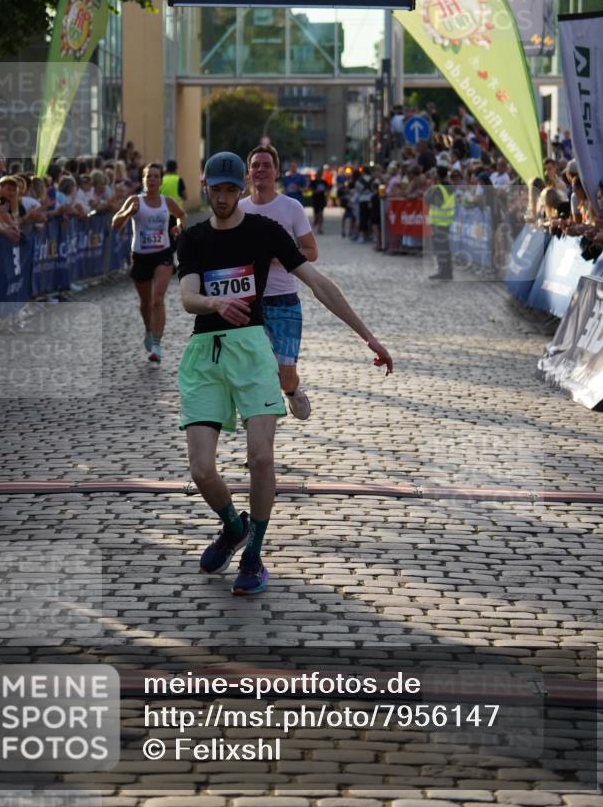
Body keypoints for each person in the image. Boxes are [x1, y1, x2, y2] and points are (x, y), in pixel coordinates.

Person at [177, 151, 393, 596]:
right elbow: (187, 297)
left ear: (240, 189)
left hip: (253, 352)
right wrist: (215, 303)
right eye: (216, 190)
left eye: (230, 189)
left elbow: (319, 284)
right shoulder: (193, 237)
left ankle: (253, 553)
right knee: (201, 469)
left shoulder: (265, 231)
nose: (223, 197)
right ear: (206, 189)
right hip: (205, 354)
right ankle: (232, 526)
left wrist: (368, 337)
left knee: (261, 458)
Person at [238, 143, 318, 420]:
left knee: (285, 376)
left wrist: (279, 256)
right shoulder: (238, 209)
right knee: (258, 369)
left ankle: (293, 391)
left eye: (266, 165)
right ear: (248, 173)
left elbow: (312, 251)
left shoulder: (291, 207)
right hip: (250, 302)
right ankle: (261, 424)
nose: (260, 170)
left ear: (277, 172)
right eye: (255, 165)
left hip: (284, 301)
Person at [112, 162, 186, 363]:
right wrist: (128, 212)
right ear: (143, 180)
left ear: (160, 181)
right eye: (148, 176)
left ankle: (156, 344)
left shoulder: (167, 202)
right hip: (141, 255)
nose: (152, 179)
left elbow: (181, 215)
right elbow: (115, 224)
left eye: (155, 176)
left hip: (163, 253)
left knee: (157, 299)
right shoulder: (135, 200)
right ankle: (148, 329)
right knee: (145, 303)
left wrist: (179, 227)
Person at [425, 165, 456, 279]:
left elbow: (428, 200)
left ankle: (444, 272)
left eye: (434, 174)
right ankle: (447, 271)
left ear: (437, 175)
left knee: (440, 247)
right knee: (444, 247)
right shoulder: (450, 186)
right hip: (446, 220)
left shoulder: (438, 188)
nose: (432, 175)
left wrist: (432, 186)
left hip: (439, 221)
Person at [311, 167, 329, 234]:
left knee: (321, 213)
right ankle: (316, 220)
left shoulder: (324, 182)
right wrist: (316, 191)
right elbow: (311, 189)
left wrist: (326, 194)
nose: (319, 175)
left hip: (322, 199)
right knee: (316, 214)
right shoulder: (313, 182)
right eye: (318, 174)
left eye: (320, 174)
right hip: (315, 199)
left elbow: (327, 189)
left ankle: (320, 228)